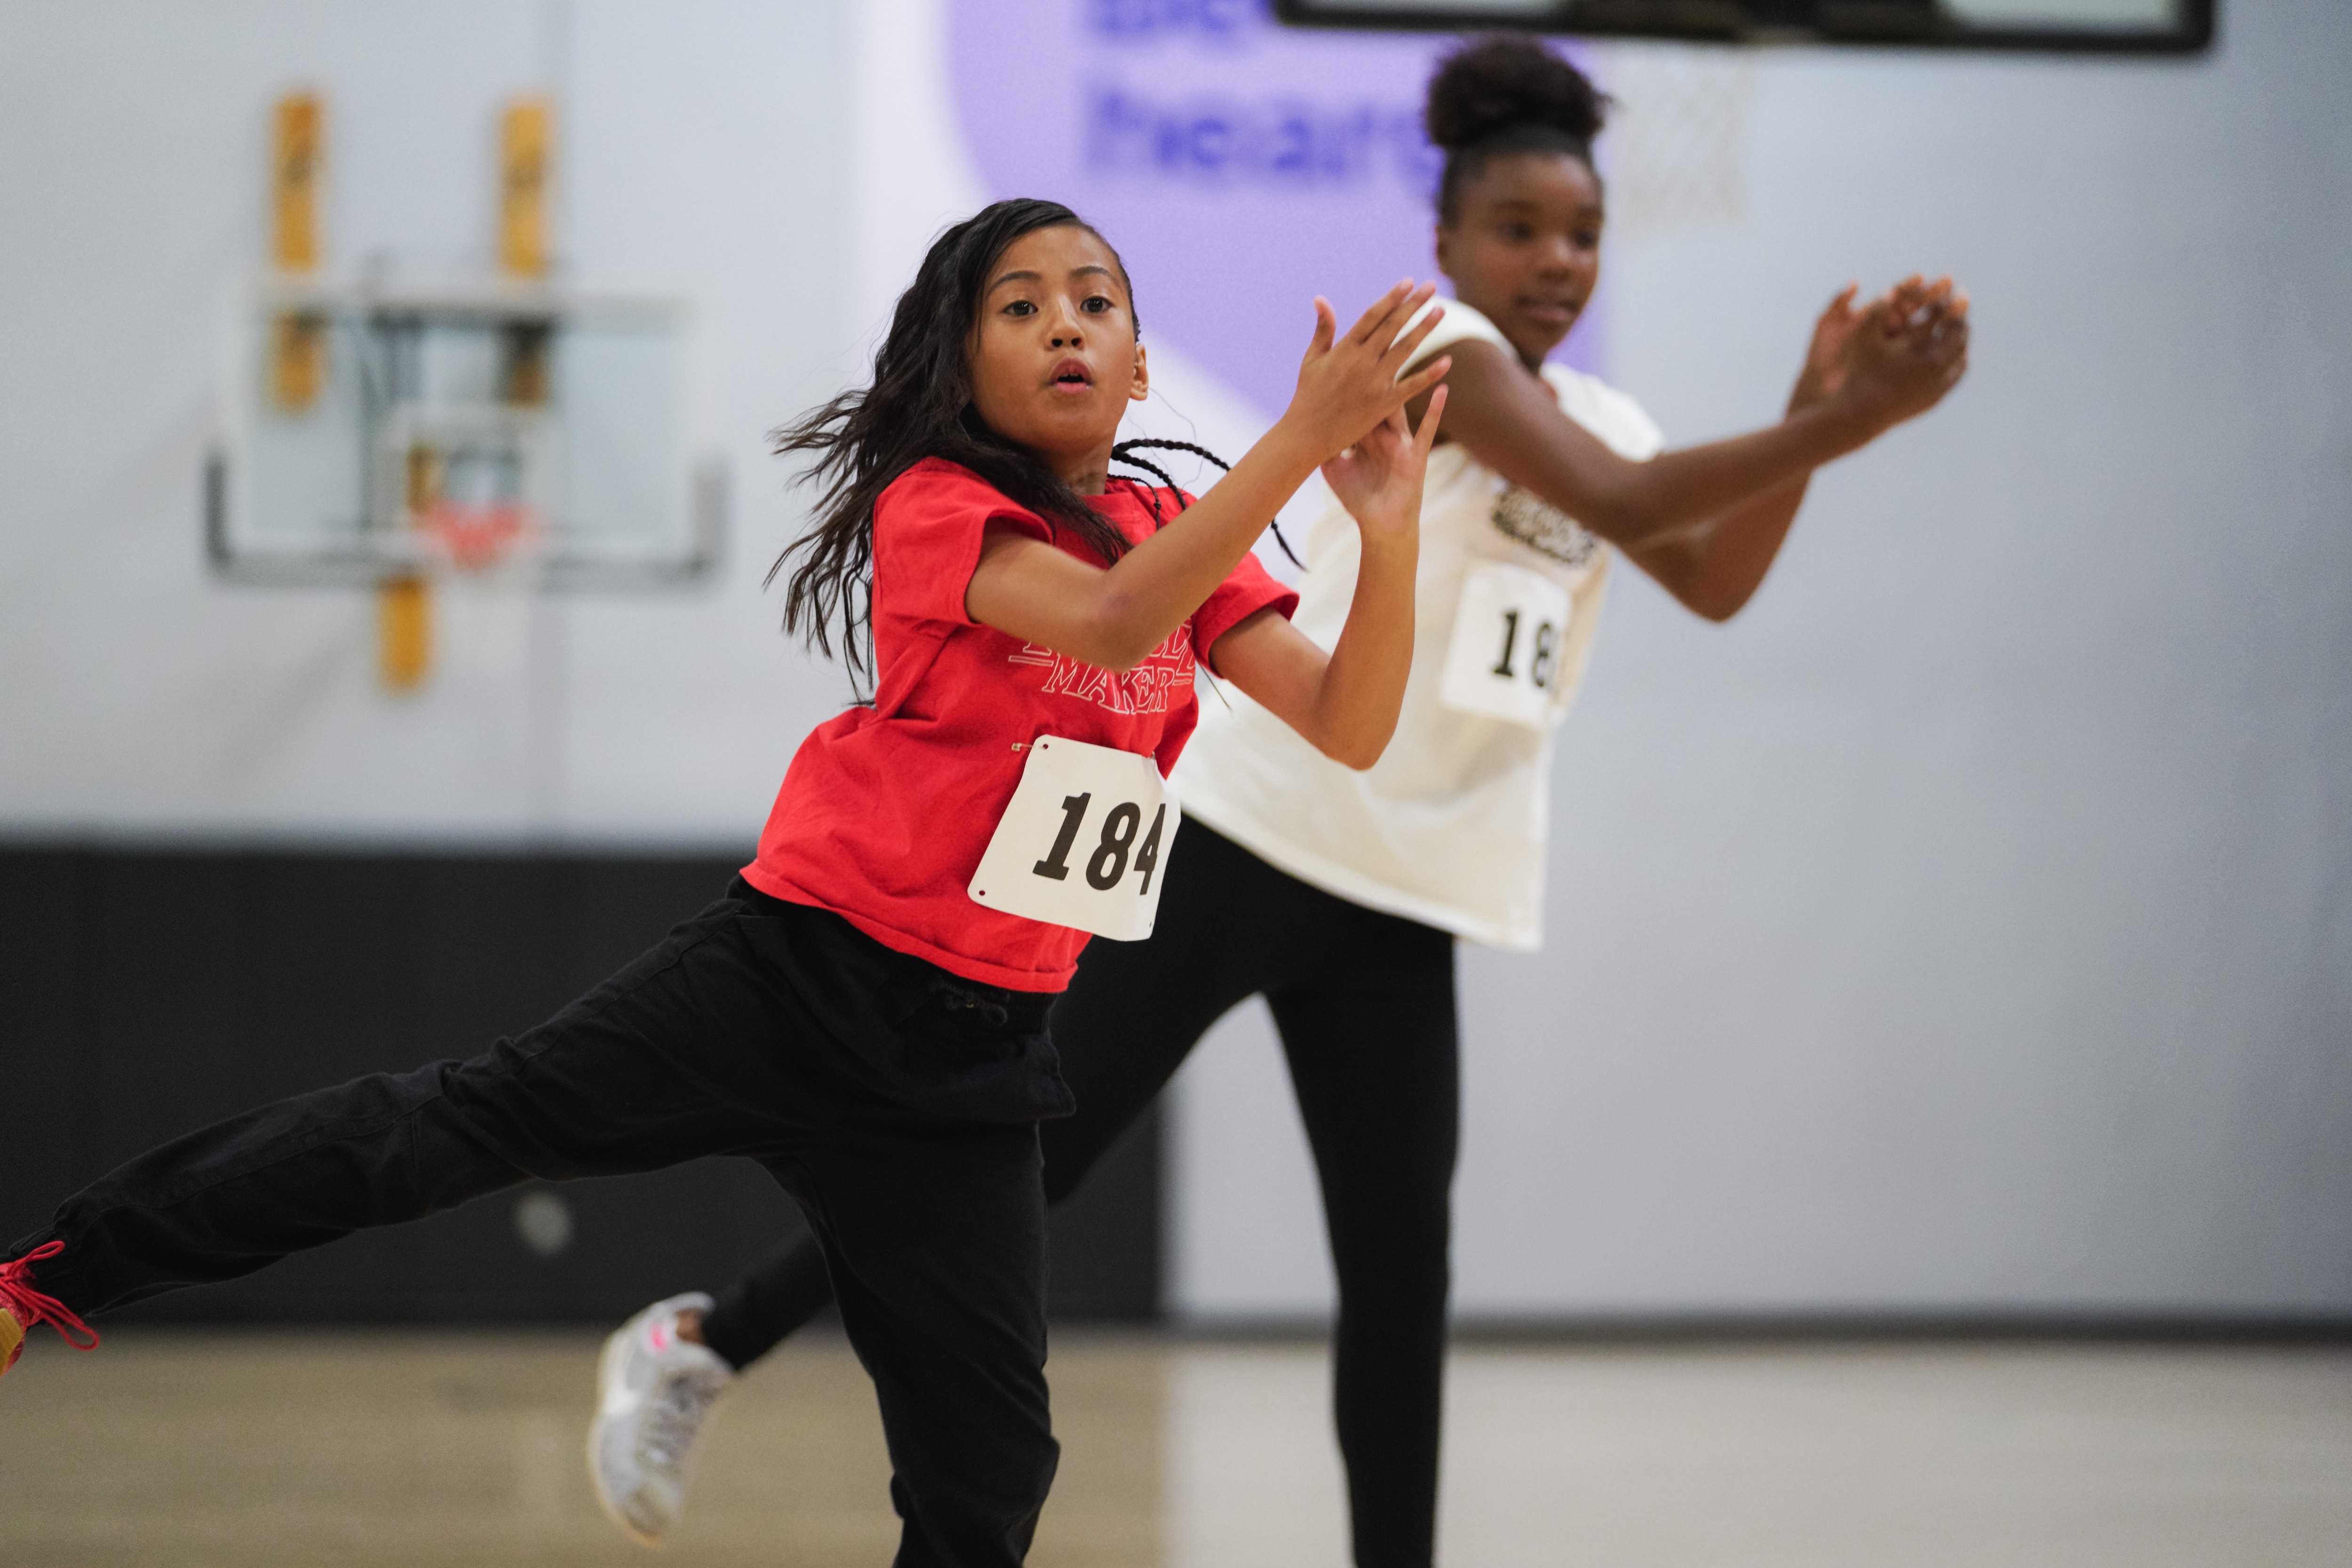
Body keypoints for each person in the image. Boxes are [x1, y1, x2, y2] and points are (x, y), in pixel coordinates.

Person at [584, 37, 1972, 1566]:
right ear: (1447, 243)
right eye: (1520, 227)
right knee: (1025, 1168)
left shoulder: (1619, 431)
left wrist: (1815, 409)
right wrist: (1861, 418)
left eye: (1583, 233)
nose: (1558, 260)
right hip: (1250, 831)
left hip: (1410, 879)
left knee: (1400, 1276)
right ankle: (703, 1341)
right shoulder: (1442, 345)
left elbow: (1705, 571)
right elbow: (1643, 510)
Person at [0, 197, 1454, 1568]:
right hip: (796, 981)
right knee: (447, 1133)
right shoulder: (940, 507)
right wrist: (1297, 433)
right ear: (959, 364)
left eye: (1097, 303)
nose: (1068, 324)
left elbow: (1350, 722)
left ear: (1139, 370)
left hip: (975, 1058)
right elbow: (1112, 614)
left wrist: (1384, 538)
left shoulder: (1167, 536)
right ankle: (53, 1273)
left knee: (993, 1472)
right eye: (1023, 307)